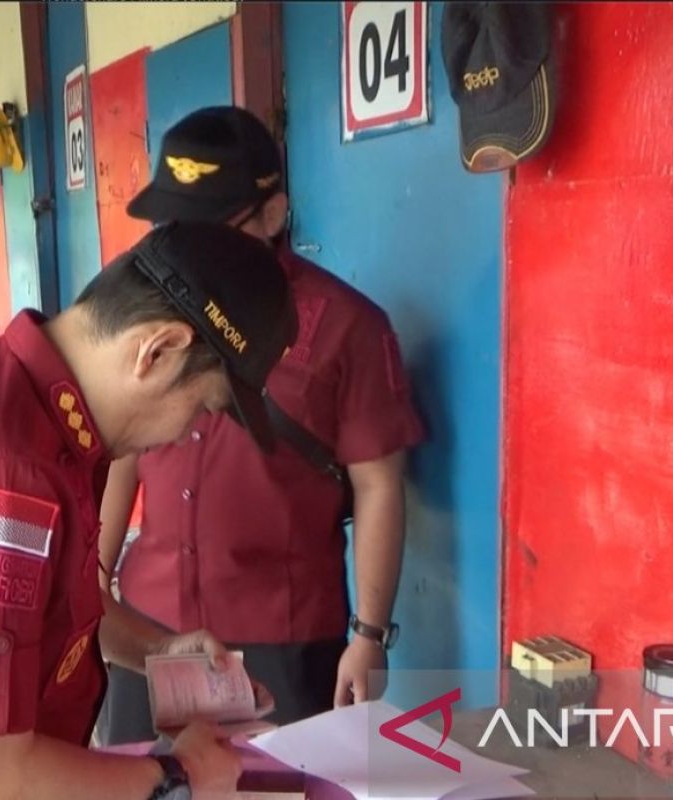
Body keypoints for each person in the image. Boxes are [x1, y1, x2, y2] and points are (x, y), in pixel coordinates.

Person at [0, 222, 298, 800]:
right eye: (204, 408)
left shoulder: (48, 419)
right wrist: (177, 775)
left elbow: (47, 605)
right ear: (158, 351)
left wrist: (158, 649)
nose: (187, 432)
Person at [97, 107, 426, 744]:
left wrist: (370, 635)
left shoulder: (345, 325)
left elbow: (380, 484)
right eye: (173, 227)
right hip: (151, 627)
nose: (188, 248)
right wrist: (94, 585)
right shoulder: (147, 309)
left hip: (282, 638)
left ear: (272, 215)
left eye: (211, 229)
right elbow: (123, 448)